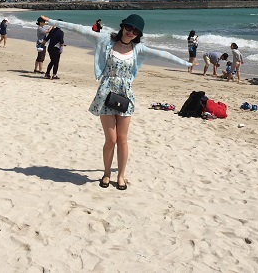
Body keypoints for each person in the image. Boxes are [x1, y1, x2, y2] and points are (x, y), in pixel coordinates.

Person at [39, 14, 191, 191]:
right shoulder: (105, 41)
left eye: (135, 31)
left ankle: (121, 175)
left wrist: (186, 63)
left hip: (125, 96)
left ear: (138, 34)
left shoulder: (138, 49)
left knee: (122, 139)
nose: (131, 32)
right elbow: (79, 29)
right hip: (106, 94)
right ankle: (106, 173)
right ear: (123, 26)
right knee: (111, 139)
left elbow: (163, 55)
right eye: (128, 28)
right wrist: (51, 22)